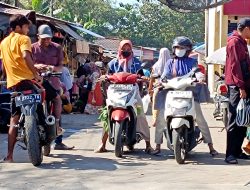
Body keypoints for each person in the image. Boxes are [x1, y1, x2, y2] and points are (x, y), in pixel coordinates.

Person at [154, 36, 218, 156]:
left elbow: (197, 71)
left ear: (188, 49)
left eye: (182, 47)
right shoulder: (170, 62)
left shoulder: (192, 62)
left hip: (189, 93)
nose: (179, 49)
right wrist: (160, 81)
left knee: (200, 118)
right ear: (173, 49)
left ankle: (211, 146)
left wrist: (200, 77)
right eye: (177, 47)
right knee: (161, 118)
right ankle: (157, 145)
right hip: (171, 92)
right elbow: (164, 75)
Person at [95, 40, 154, 154]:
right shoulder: (113, 63)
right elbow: (108, 74)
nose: (126, 51)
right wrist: (104, 77)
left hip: (132, 90)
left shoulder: (137, 63)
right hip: (115, 91)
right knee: (107, 113)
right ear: (120, 49)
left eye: (128, 49)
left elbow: (141, 75)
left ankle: (148, 144)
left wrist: (144, 78)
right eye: (124, 49)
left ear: (131, 50)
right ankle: (103, 143)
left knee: (140, 114)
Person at [0, 14, 42, 162]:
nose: (27, 30)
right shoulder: (24, 39)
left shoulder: (3, 43)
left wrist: (5, 79)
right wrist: (36, 74)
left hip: (14, 86)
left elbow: (4, 65)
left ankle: (9, 156)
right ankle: (47, 123)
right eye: (26, 27)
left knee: (14, 120)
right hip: (28, 81)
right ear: (18, 27)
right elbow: (25, 56)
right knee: (47, 93)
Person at [32, 24, 74, 150]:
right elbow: (28, 64)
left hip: (53, 81)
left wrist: (53, 68)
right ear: (38, 36)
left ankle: (58, 137)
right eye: (43, 38)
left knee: (57, 101)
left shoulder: (57, 48)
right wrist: (37, 66)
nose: (46, 41)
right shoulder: (31, 48)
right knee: (34, 107)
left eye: (48, 38)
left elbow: (61, 66)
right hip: (37, 82)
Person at [224, 18, 250, 164]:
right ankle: (229, 155)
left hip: (244, 85)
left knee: (243, 119)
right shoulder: (234, 42)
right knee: (234, 119)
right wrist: (241, 87)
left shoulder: (243, 42)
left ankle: (237, 151)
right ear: (246, 28)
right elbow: (235, 67)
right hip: (236, 86)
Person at [149, 48, 171, 127]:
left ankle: (155, 119)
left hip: (160, 87)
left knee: (155, 100)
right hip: (170, 86)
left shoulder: (156, 66)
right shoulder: (173, 64)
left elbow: (152, 78)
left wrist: (150, 89)